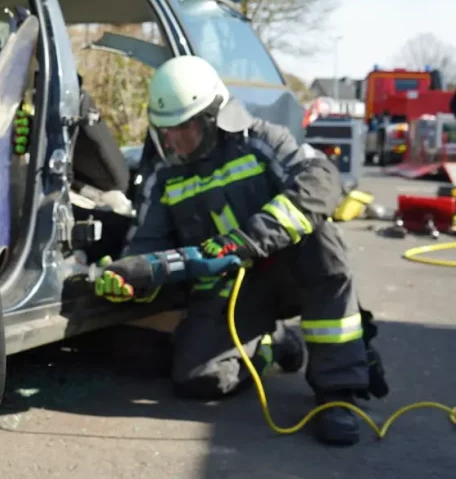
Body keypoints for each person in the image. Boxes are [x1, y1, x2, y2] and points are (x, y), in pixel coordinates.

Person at [95, 56, 379, 446]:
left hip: (290, 272)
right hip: (234, 290)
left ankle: (337, 394)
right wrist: (129, 278)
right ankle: (274, 345)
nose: (174, 140)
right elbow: (146, 244)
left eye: (185, 127)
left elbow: (320, 180)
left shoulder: (262, 140)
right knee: (199, 379)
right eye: (166, 130)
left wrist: (247, 241)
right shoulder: (163, 175)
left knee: (323, 242)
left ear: (214, 116)